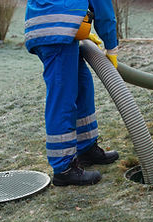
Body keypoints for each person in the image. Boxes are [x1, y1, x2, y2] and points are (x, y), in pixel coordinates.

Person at [25, 0, 119, 186]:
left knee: (82, 86)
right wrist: (112, 47)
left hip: (54, 25)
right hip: (57, 30)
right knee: (63, 98)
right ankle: (64, 168)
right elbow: (103, 9)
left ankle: (86, 149)